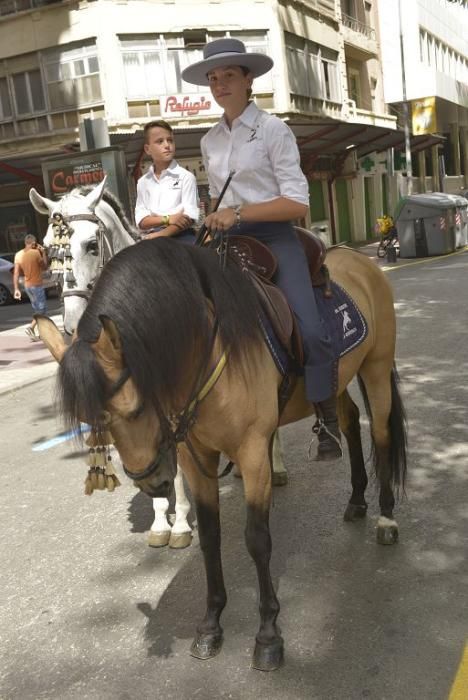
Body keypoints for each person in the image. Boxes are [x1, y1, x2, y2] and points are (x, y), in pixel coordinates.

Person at [182, 38, 341, 459]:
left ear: (248, 79)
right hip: (227, 242)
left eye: (228, 76)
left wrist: (241, 214)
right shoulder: (209, 141)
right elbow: (219, 198)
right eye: (213, 79)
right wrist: (216, 218)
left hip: (274, 239)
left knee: (308, 327)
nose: (219, 85)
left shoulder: (273, 130)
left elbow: (298, 202)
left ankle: (328, 418)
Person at [135, 119, 199, 243]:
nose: (167, 145)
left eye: (170, 140)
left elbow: (189, 217)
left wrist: (160, 234)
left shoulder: (186, 177)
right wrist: (168, 218)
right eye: (160, 141)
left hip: (182, 237)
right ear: (147, 149)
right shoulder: (143, 182)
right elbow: (141, 221)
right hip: (151, 238)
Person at [13, 234, 48, 341]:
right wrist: (44, 253)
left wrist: (16, 289)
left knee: (38, 310)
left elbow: (16, 273)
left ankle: (42, 333)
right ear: (33, 243)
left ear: (25, 243)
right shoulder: (36, 253)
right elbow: (45, 267)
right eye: (36, 243)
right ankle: (31, 327)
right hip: (37, 285)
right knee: (41, 310)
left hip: (27, 286)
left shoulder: (18, 255)